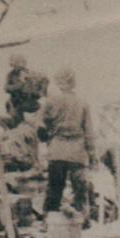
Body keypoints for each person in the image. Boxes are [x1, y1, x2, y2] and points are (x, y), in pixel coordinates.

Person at [39, 66, 96, 222]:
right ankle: (82, 222)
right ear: (73, 83)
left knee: (54, 188)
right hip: (76, 152)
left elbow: (40, 126)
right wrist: (92, 155)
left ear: (58, 83)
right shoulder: (82, 103)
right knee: (80, 190)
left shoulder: (50, 101)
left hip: (56, 149)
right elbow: (89, 132)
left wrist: (47, 140)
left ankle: (49, 221)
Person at [4, 54, 48, 129]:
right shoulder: (11, 75)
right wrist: (21, 84)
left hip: (29, 102)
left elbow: (42, 84)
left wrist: (40, 90)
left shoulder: (30, 73)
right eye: (15, 65)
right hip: (16, 102)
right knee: (11, 106)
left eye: (20, 64)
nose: (18, 67)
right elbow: (7, 88)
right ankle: (17, 127)